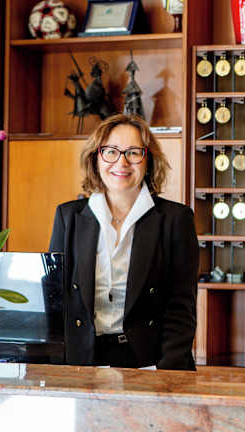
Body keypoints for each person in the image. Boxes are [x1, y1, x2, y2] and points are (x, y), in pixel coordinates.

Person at [50, 114, 198, 370]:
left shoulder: (176, 219)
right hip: (82, 363)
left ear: (148, 160)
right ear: (96, 158)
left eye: (133, 152)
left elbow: (181, 308)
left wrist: (164, 372)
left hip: (150, 363)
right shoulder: (68, 217)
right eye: (111, 151)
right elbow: (57, 299)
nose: (122, 162)